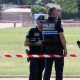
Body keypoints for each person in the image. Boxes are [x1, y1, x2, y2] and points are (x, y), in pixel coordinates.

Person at [42, 7, 67, 80]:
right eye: (57, 12)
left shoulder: (44, 23)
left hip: (47, 50)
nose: (58, 13)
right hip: (57, 50)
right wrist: (65, 48)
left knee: (47, 71)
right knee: (59, 71)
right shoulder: (57, 23)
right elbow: (62, 37)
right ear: (53, 13)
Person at [24, 15, 45, 80]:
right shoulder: (32, 31)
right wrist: (36, 43)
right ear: (37, 22)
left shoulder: (46, 32)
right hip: (33, 55)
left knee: (39, 73)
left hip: (43, 55)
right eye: (41, 22)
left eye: (44, 22)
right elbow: (25, 43)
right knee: (33, 73)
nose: (42, 23)